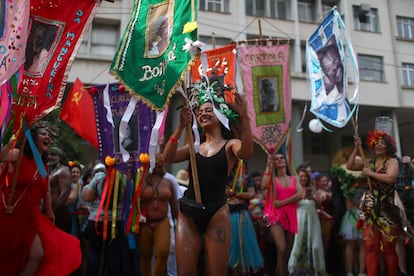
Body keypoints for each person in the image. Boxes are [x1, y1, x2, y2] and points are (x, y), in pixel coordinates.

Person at [162, 87, 253, 275]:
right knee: (185, 272)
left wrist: (245, 120)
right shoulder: (194, 147)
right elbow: (167, 157)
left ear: (220, 116)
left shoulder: (230, 145)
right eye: (200, 111)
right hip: (188, 213)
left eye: (208, 110)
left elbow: (246, 152)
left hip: (217, 213)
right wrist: (180, 127)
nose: (202, 113)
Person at [0, 122, 81, 275]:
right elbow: (2, 156)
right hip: (10, 214)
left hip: (32, 217)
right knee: (9, 257)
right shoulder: (19, 154)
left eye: (49, 136)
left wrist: (50, 212)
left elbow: (47, 191)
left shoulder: (43, 166)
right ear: (33, 137)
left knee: (38, 254)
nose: (47, 137)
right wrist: (11, 142)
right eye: (43, 133)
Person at [347, 130, 401, 276]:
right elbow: (350, 166)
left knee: (389, 247)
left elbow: (390, 178)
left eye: (382, 143)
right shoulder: (368, 162)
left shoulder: (392, 161)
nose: (379, 145)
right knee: (370, 247)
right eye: (376, 143)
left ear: (389, 146)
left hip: (388, 207)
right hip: (369, 207)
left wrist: (369, 173)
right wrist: (356, 148)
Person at [82, 162, 132, 276]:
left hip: (96, 220)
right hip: (116, 221)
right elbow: (127, 198)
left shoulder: (99, 177)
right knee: (113, 253)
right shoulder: (126, 178)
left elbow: (87, 197)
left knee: (95, 253)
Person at [262, 153, 302, 276]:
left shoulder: (295, 178)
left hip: (290, 215)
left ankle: (279, 273)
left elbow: (300, 195)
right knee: (282, 248)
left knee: (286, 253)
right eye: (276, 159)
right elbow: (264, 185)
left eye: (281, 158)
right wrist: (269, 164)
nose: (279, 160)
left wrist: (281, 203)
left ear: (285, 161)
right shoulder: (273, 180)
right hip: (275, 215)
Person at [139, 156, 178, 276]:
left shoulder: (169, 182)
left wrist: (179, 225)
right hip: (145, 223)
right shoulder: (141, 180)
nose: (158, 164)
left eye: (160, 162)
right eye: (155, 162)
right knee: (145, 255)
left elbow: (174, 206)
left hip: (162, 221)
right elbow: (134, 203)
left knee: (163, 253)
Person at [331, 157, 367, 276]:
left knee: (351, 245)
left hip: (354, 213)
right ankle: (360, 272)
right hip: (359, 214)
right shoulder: (366, 181)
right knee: (361, 245)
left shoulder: (345, 181)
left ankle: (351, 272)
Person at [226, 160, 263, 275]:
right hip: (228, 215)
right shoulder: (226, 176)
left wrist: (235, 194)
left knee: (243, 249)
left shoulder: (248, 179)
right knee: (231, 249)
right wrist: (239, 195)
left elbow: (251, 194)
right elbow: (225, 192)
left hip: (242, 215)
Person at [288, 168, 326, 275]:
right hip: (300, 218)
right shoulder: (294, 189)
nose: (303, 178)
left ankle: (316, 269)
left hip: (312, 219)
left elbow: (320, 205)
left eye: (305, 176)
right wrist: (299, 197)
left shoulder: (312, 188)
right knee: (299, 243)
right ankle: (295, 269)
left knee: (315, 245)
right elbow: (290, 204)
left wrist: (312, 197)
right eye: (301, 176)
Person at [48, 146, 72, 233]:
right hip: (52, 210)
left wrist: (55, 211)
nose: (50, 156)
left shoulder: (63, 171)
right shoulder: (52, 171)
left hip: (59, 212)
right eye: (49, 154)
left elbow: (65, 192)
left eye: (54, 155)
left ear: (60, 157)